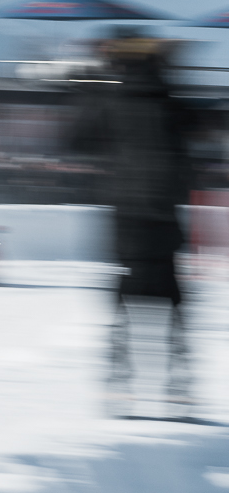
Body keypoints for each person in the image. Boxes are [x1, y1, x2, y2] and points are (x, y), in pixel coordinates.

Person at [75, 31, 203, 418]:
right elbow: (198, 125)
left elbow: (77, 139)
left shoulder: (109, 102)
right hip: (165, 220)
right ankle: (179, 387)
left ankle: (120, 384)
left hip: (126, 221)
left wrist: (91, 84)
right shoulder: (171, 102)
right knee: (174, 301)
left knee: (125, 300)